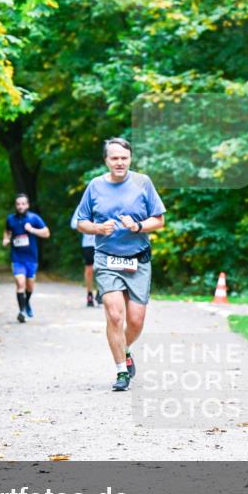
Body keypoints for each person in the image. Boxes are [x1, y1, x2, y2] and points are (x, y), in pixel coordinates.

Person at [75, 137, 166, 392]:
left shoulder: (143, 183)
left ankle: (124, 349)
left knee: (136, 320)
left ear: (130, 159)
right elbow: (81, 222)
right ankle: (121, 371)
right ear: (106, 160)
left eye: (124, 158)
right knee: (115, 315)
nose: (119, 162)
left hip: (138, 259)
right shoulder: (95, 186)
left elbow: (159, 220)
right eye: (114, 158)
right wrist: (97, 228)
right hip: (106, 258)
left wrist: (137, 226)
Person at [2, 194, 50, 323]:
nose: (20, 206)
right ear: (15, 205)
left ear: (27, 205)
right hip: (17, 257)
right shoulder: (10, 219)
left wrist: (32, 230)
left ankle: (27, 302)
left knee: (30, 287)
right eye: (18, 204)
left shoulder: (34, 218)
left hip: (31, 258)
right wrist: (6, 239)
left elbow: (47, 233)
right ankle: (22, 311)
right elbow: (7, 231)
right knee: (20, 284)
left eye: (23, 204)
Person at [71, 209, 101, 307]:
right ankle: (89, 294)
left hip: (103, 242)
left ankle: (100, 292)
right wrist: (87, 225)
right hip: (88, 243)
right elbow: (73, 223)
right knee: (89, 270)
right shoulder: (84, 205)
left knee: (102, 268)